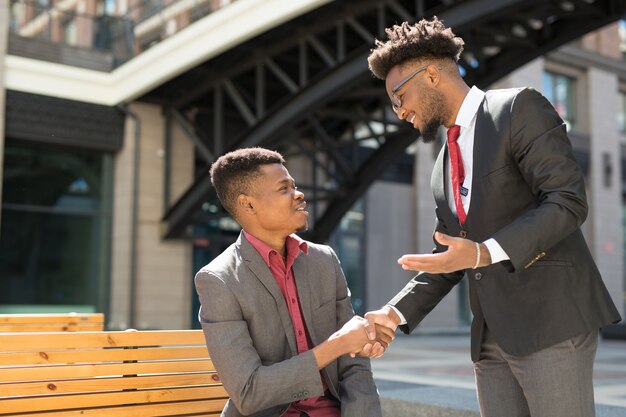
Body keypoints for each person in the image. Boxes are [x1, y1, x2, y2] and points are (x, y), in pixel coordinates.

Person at [364, 17, 622, 417]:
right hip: (490, 338)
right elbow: (450, 257)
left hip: (550, 322)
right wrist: (394, 313)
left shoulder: (518, 108)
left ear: (431, 75)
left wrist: (484, 253)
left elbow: (566, 201)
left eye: (399, 97)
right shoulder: (440, 168)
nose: (400, 112)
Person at [194, 147, 389, 417]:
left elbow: (354, 365)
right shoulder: (219, 280)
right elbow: (249, 393)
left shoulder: (325, 260)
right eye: (283, 188)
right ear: (248, 204)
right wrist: (337, 344)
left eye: (294, 185)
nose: (299, 194)